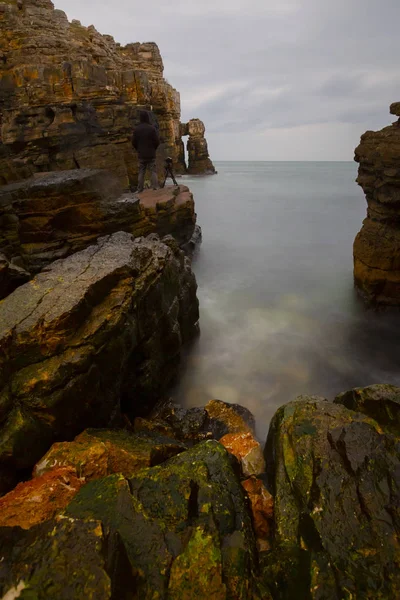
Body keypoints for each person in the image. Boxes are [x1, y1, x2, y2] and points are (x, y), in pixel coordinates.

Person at [132, 110, 160, 192]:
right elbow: (157, 141)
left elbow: (133, 142)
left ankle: (140, 189)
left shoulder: (137, 129)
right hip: (151, 154)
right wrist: (153, 148)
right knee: (153, 171)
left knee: (141, 171)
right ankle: (155, 187)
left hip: (141, 154)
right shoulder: (152, 128)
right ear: (148, 117)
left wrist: (138, 149)